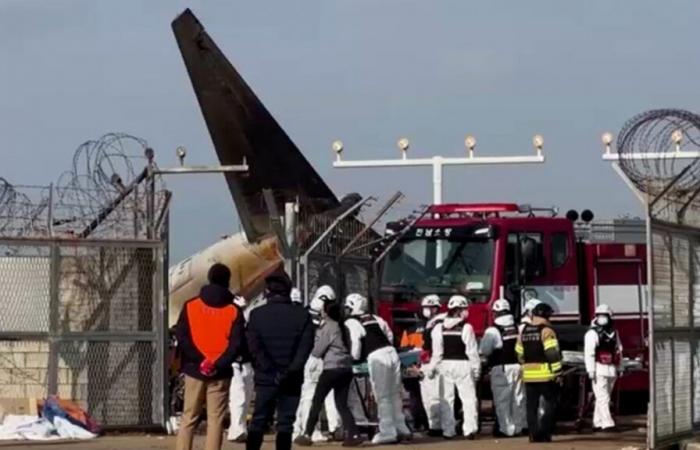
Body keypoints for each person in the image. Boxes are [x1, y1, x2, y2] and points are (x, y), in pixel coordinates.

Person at [175, 263, 244, 450]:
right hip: (220, 372)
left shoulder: (191, 306)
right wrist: (218, 362)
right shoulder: (234, 311)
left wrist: (200, 360)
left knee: (189, 417)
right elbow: (236, 345)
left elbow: (182, 336)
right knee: (216, 420)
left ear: (209, 278)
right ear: (227, 282)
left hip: (194, 369)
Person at [246, 270, 315, 450]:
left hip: (265, 377)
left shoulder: (256, 315)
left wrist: (270, 369)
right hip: (291, 379)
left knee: (258, 421)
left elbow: (254, 348)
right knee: (286, 424)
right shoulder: (302, 316)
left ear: (267, 291)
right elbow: (304, 349)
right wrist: (290, 370)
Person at [344, 293, 412, 444]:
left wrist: (354, 358)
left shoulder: (352, 322)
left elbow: (356, 342)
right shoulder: (376, 318)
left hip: (376, 356)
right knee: (394, 393)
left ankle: (387, 432)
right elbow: (389, 335)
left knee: (382, 396)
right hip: (391, 353)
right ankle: (401, 427)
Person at [295, 300, 364, 447]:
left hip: (331, 368)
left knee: (317, 401)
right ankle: (354, 434)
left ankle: (307, 433)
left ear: (326, 312)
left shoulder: (328, 327)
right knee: (342, 404)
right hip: (346, 368)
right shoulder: (343, 326)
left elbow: (317, 350)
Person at [426, 295, 480, 439]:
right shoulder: (466, 327)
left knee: (446, 399)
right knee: (468, 399)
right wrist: (476, 370)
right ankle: (470, 429)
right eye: (464, 309)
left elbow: (437, 353)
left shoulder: (438, 328)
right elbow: (472, 352)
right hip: (463, 364)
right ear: (459, 310)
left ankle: (448, 430)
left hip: (445, 365)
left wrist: (432, 368)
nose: (466, 312)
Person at [293, 286, 341, 443]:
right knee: (313, 396)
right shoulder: (324, 318)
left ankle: (300, 428)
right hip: (318, 358)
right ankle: (312, 430)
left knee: (306, 395)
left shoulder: (304, 314)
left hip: (306, 358)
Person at [515, 302, 562, 443]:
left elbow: (519, 353)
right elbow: (552, 353)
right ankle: (544, 432)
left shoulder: (524, 330)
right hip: (545, 375)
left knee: (531, 406)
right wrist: (558, 372)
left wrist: (526, 365)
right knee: (551, 403)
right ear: (547, 315)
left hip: (529, 376)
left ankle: (533, 435)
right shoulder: (547, 331)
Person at [479, 299, 525, 437]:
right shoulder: (518, 327)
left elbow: (485, 350)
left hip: (501, 368)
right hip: (519, 366)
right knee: (518, 398)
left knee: (502, 400)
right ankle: (518, 428)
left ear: (495, 313)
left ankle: (506, 429)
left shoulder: (493, 330)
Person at [398, 295, 440, 433]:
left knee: (426, 396)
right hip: (419, 366)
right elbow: (404, 349)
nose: (429, 310)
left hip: (426, 366)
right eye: (427, 307)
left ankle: (426, 423)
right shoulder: (411, 330)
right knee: (418, 396)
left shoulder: (437, 327)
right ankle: (423, 422)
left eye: (431, 307)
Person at [413, 295, 449, 436]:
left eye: (428, 307)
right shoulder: (431, 323)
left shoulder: (439, 323)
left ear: (435, 308)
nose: (425, 310)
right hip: (428, 362)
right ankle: (433, 425)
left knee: (434, 396)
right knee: (428, 397)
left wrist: (431, 364)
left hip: (434, 363)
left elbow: (437, 348)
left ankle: (436, 426)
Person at [584, 304, 622, 432]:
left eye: (604, 315)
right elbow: (589, 353)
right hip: (598, 368)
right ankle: (608, 423)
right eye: (600, 315)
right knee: (603, 398)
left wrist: (620, 367)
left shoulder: (614, 333)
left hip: (611, 369)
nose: (602, 318)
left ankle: (597, 422)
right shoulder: (591, 333)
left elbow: (618, 350)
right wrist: (590, 370)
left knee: (603, 397)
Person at [227, 295, 255, 443]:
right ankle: (236, 430)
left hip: (246, 362)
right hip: (235, 363)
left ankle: (240, 428)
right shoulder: (231, 322)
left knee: (247, 397)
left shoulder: (246, 323)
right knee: (239, 397)